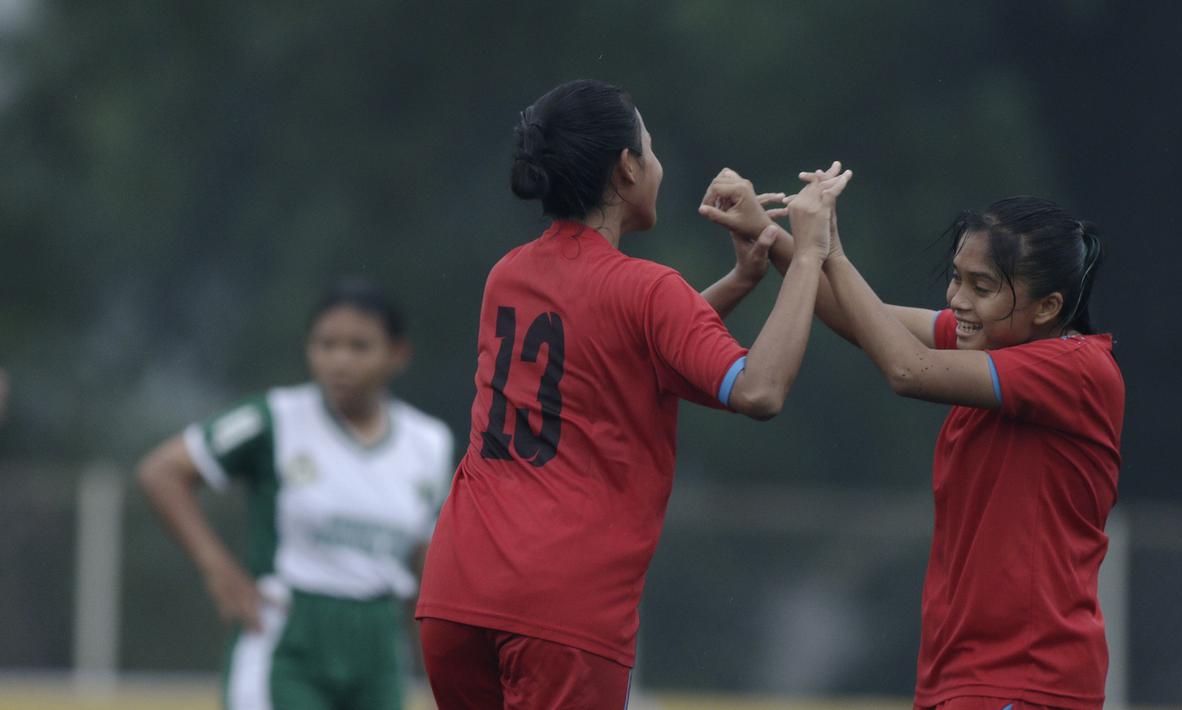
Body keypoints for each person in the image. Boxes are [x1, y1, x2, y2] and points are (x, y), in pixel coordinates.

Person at [414, 78, 851, 709]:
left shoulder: (508, 274)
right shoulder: (647, 287)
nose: (658, 165)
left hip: (457, 593)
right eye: (649, 148)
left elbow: (618, 354)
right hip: (561, 608)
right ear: (626, 168)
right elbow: (760, 390)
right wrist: (807, 253)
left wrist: (737, 282)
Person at [710, 168, 1124, 710]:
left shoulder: (1076, 368)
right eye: (957, 277)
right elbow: (862, 320)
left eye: (983, 287)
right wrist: (770, 231)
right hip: (962, 676)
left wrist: (826, 250)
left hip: (1026, 679)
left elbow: (910, 370)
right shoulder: (992, 343)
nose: (958, 299)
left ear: (1047, 308)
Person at [138, 279, 453, 710]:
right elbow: (161, 472)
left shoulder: (429, 442)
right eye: (326, 344)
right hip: (289, 635)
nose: (339, 360)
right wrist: (218, 569)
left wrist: (442, 662)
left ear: (398, 354)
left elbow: (426, 561)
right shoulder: (274, 419)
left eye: (359, 346)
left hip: (378, 643)